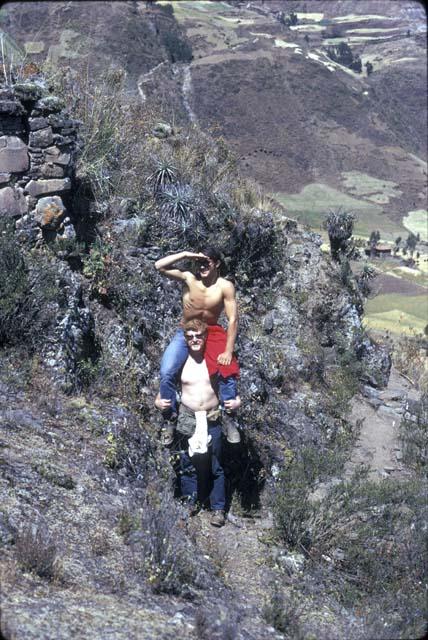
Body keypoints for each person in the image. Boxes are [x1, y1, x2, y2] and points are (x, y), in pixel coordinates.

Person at [155, 319, 241, 527]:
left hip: (212, 416)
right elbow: (167, 384)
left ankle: (218, 508)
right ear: (185, 339)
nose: (194, 339)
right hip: (187, 417)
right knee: (187, 463)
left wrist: (238, 401)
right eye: (190, 336)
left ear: (205, 337)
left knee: (216, 465)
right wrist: (158, 400)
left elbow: (230, 382)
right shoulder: (180, 362)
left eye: (198, 336)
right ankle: (189, 502)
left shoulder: (214, 360)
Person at [155, 246, 240, 445]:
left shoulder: (224, 286)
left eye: (207, 262)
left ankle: (229, 418)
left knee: (227, 368)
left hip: (211, 331)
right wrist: (185, 255)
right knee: (167, 370)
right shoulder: (189, 278)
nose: (202, 266)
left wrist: (228, 350)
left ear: (217, 263)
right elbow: (159, 265)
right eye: (199, 262)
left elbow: (233, 319)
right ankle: (170, 418)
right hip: (187, 331)